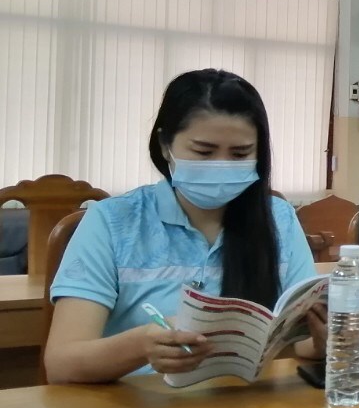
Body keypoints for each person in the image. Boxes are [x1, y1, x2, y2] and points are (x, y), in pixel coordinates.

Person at [45, 69, 323, 384]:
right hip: (135, 406)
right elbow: (61, 365)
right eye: (204, 152)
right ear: (165, 145)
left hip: (244, 403)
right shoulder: (112, 222)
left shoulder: (278, 219)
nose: (221, 166)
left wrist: (326, 338)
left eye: (240, 154)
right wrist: (141, 346)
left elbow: (301, 339)